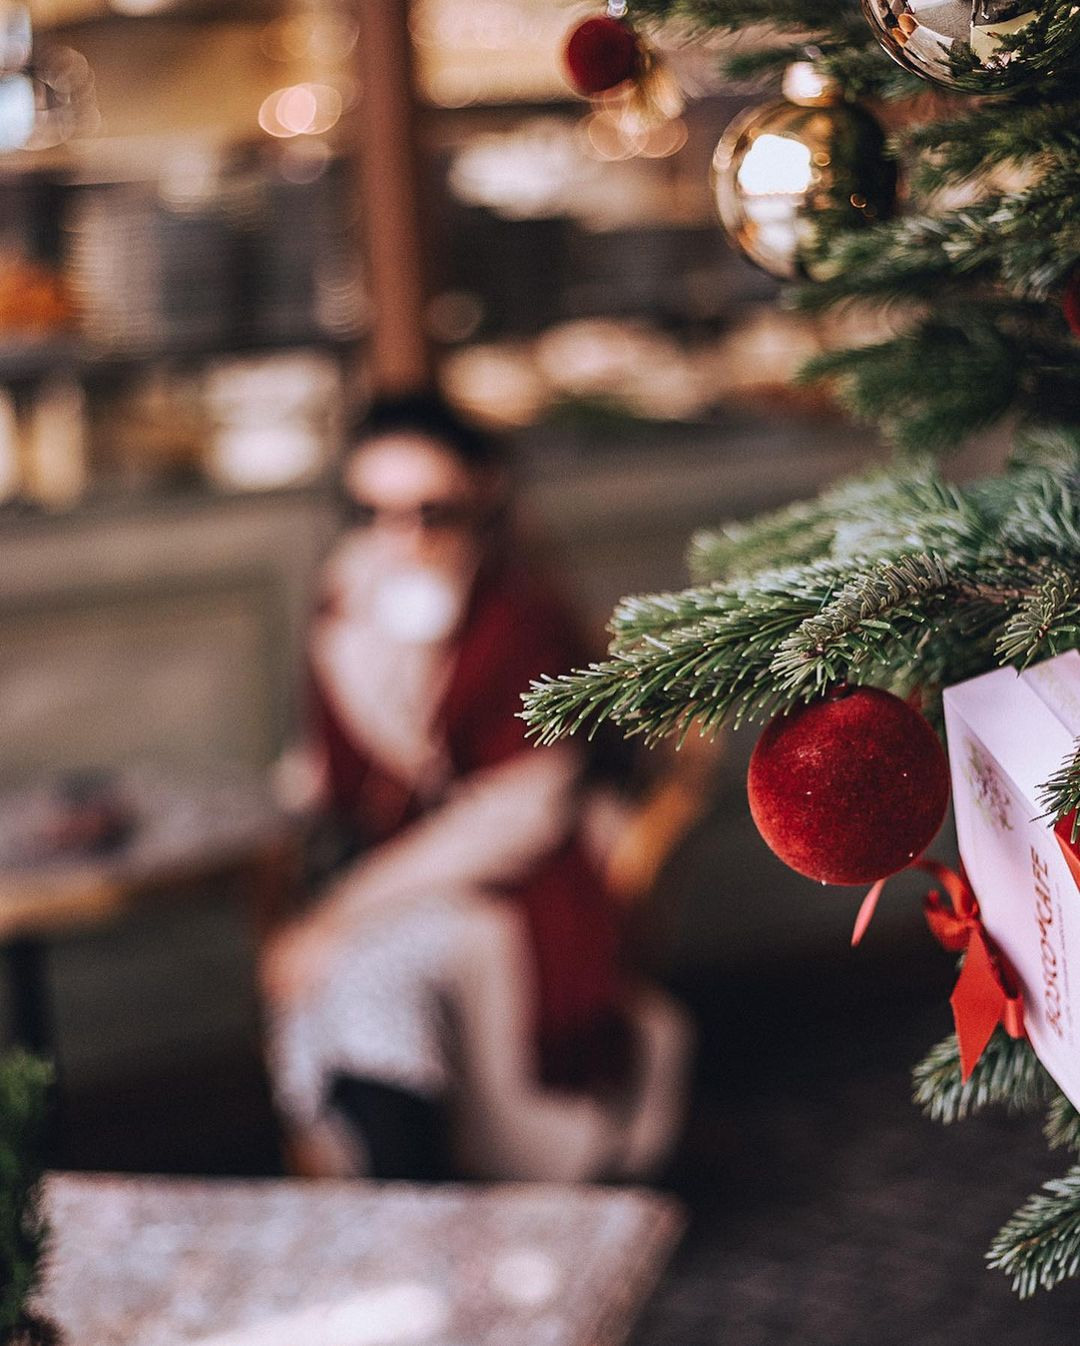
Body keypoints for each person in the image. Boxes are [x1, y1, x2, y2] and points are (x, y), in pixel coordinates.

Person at [261, 392, 691, 1182]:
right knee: (344, 979)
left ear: (480, 503)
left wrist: (339, 913)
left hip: (523, 873)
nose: (402, 539)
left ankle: (417, 1191)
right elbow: (323, 775)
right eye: (372, 512)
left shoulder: (520, 616)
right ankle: (388, 1184)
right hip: (405, 863)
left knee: (363, 972)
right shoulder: (344, 606)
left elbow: (516, 816)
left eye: (432, 513)